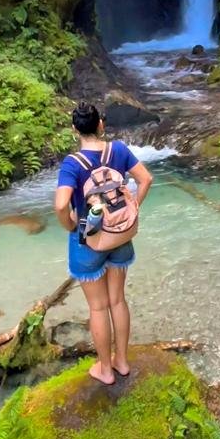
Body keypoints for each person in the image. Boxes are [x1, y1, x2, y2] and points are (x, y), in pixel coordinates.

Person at [55, 102, 153, 385]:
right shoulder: (119, 150)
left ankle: (105, 370)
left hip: (89, 241)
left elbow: (62, 205)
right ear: (101, 125)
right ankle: (122, 362)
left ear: (75, 130)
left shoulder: (73, 164)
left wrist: (72, 226)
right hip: (120, 235)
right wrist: (132, 207)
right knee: (118, 300)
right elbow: (146, 179)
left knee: (98, 308)